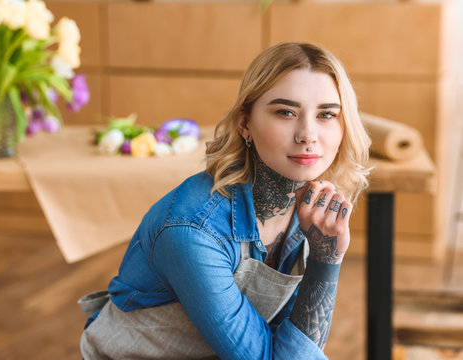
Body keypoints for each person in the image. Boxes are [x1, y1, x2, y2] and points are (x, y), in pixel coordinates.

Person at [79, 42, 371, 360]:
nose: (308, 134)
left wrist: (324, 254)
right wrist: (326, 262)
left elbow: (295, 348)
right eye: (286, 112)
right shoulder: (193, 231)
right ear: (245, 124)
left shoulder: (310, 211)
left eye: (327, 114)